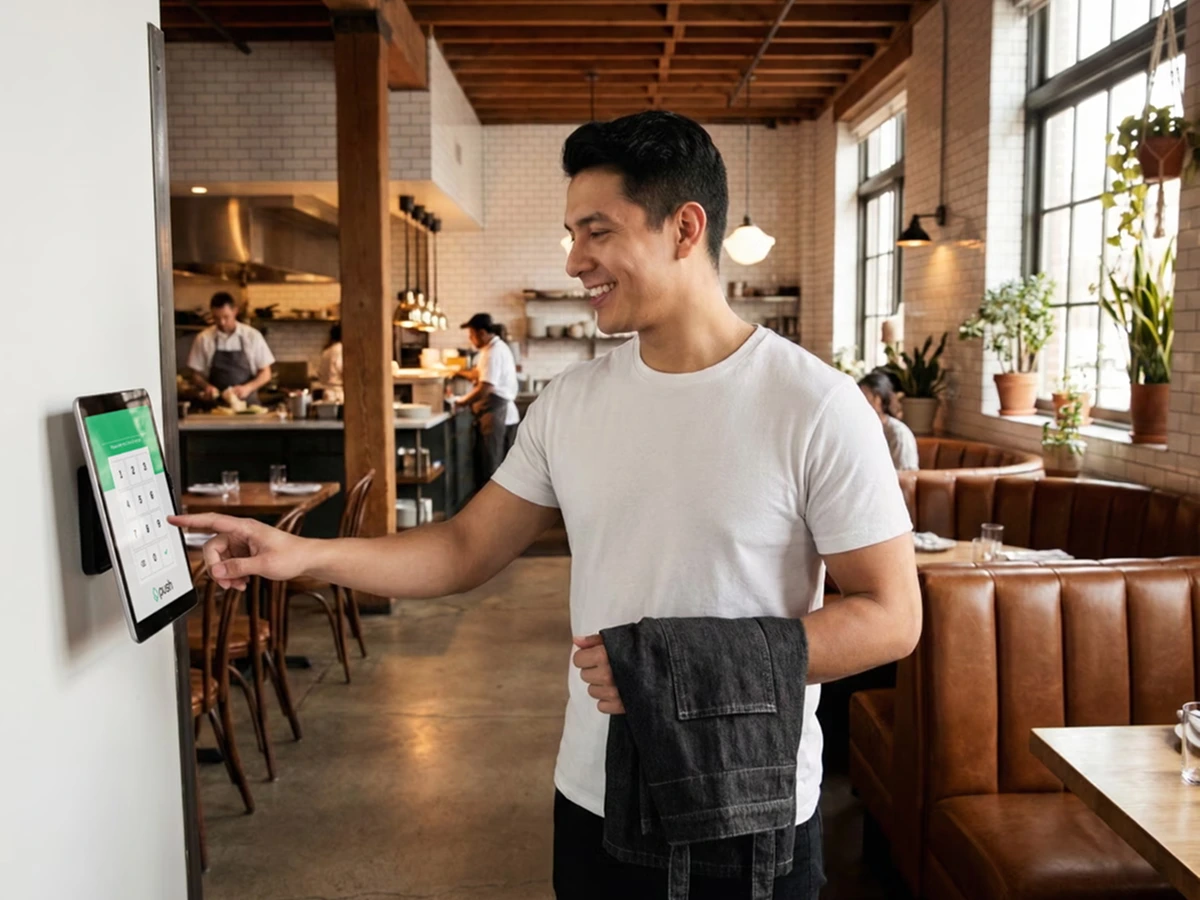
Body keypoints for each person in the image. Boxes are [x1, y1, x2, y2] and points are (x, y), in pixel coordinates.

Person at [172, 111, 920, 900]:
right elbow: (464, 548)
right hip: (591, 795)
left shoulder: (815, 405)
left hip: (744, 808)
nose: (575, 261)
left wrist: (674, 673)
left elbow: (891, 617)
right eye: (570, 233)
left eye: (596, 232)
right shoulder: (572, 404)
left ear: (684, 228)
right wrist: (304, 554)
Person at [455, 313, 519, 481]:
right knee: (498, 462)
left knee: (493, 463)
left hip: (496, 411)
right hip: (499, 411)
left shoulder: (493, 352)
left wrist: (462, 402)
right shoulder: (492, 349)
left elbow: (486, 387)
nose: (470, 339)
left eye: (471, 335)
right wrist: (458, 372)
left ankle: (493, 506)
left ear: (482, 333)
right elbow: (479, 374)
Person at [186, 292, 274, 404]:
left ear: (235, 311)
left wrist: (248, 388)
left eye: (226, 317)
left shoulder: (252, 336)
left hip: (248, 406)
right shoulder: (203, 338)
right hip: (215, 407)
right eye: (216, 318)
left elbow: (266, 373)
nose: (222, 322)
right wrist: (206, 387)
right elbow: (196, 375)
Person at [858, 371, 919, 471]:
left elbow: (906, 474)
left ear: (878, 400)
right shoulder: (863, 430)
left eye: (864, 396)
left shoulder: (898, 433)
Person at [317, 323, 344, 402]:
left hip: (327, 393)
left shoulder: (326, 351)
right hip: (338, 395)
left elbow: (320, 374)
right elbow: (343, 371)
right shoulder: (341, 349)